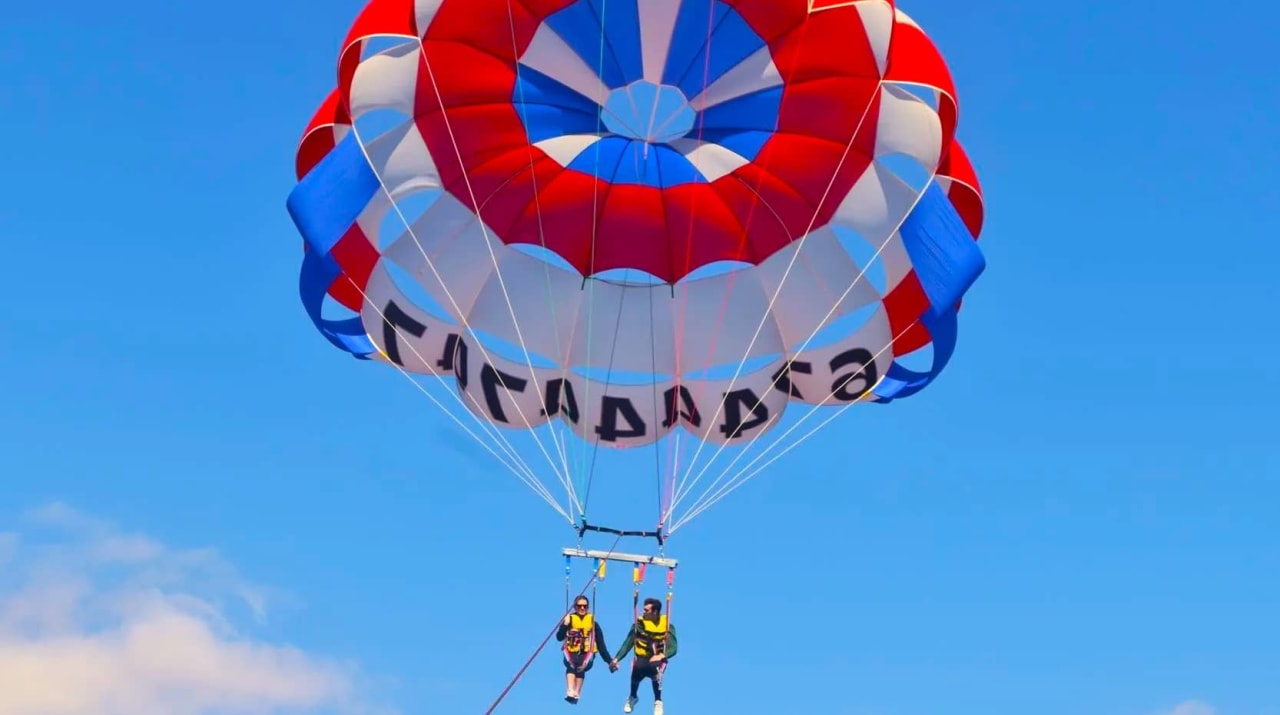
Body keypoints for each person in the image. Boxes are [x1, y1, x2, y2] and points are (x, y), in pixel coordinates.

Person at [610, 597, 677, 715]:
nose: (643, 612)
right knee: (637, 670)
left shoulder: (667, 626)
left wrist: (662, 655)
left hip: (657, 658)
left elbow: (673, 648)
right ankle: (633, 697)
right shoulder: (639, 625)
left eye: (646, 610)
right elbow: (628, 643)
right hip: (641, 657)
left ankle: (658, 701)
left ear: (655, 612)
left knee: (655, 670)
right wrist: (616, 658)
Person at [556, 596, 614, 704]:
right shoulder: (569, 620)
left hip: (587, 655)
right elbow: (559, 637)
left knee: (581, 666)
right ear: (575, 607)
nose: (582, 608)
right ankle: (570, 690)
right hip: (571, 652)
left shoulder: (593, 624)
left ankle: (576, 693)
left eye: (585, 606)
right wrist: (565, 624)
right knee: (572, 665)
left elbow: (601, 645)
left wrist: (609, 661)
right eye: (579, 606)